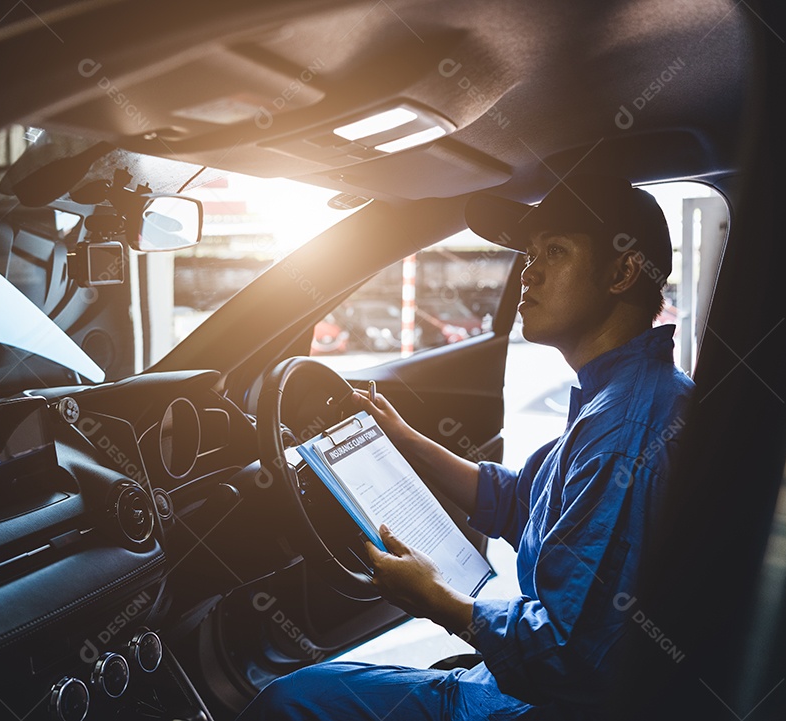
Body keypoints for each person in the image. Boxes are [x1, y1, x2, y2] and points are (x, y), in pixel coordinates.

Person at [237, 175, 695, 720]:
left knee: (287, 703)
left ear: (621, 272)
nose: (531, 269)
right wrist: (404, 440)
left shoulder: (624, 434)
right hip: (506, 682)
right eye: (529, 252)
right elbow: (522, 501)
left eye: (555, 250)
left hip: (526, 702)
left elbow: (572, 655)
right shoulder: (625, 396)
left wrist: (441, 603)